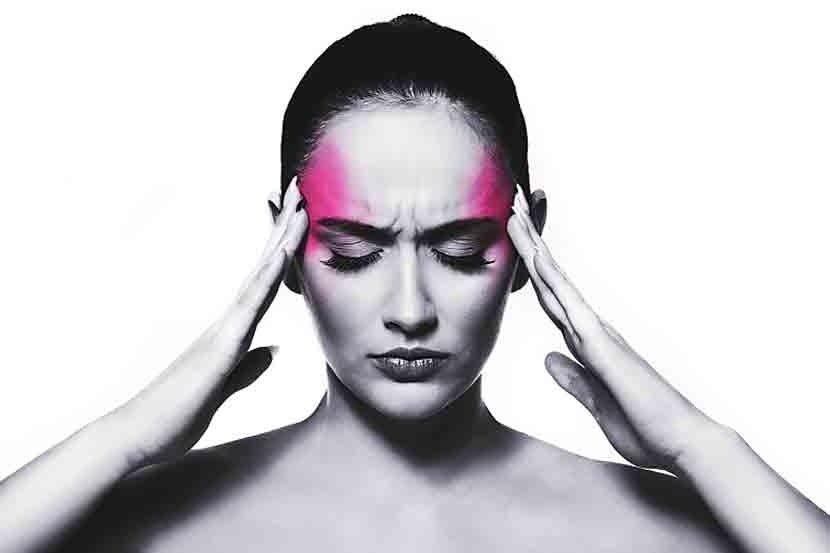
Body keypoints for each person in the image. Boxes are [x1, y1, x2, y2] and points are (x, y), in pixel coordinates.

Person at [1, 14, 828, 553]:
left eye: (460, 250)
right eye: (352, 252)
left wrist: (702, 446)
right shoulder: (145, 525)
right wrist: (124, 438)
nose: (409, 310)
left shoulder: (657, 532)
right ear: (286, 250)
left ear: (526, 241)